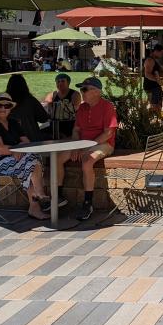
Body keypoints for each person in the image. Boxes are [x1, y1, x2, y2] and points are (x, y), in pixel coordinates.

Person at [0, 92, 49, 220]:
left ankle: (36, 203)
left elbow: (26, 142)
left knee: (31, 161)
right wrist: (16, 149)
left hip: (13, 157)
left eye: (7, 106)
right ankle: (39, 196)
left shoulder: (13, 123)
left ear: (11, 107)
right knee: (30, 161)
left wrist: (18, 148)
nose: (3, 108)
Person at [55, 77, 118, 221]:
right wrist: (77, 145)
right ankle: (58, 197)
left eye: (84, 89)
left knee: (87, 161)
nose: (81, 92)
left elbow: (108, 133)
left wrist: (87, 147)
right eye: (81, 89)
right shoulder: (82, 108)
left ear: (96, 92)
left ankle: (88, 203)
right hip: (83, 143)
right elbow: (76, 130)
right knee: (58, 158)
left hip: (103, 143)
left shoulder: (107, 106)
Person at [6, 74, 50, 141]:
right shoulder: (30, 100)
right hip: (31, 139)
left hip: (10, 139)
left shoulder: (3, 101)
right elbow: (43, 118)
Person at [44, 73, 82, 139]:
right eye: (58, 81)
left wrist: (55, 108)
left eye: (63, 81)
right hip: (54, 126)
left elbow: (73, 109)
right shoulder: (53, 94)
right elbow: (48, 106)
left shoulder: (75, 94)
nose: (60, 83)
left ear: (68, 83)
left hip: (69, 125)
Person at [143, 44, 163, 112]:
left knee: (158, 107)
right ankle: (152, 121)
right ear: (156, 51)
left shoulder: (154, 60)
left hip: (155, 87)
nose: (162, 55)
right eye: (161, 53)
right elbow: (147, 74)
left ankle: (156, 120)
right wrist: (158, 80)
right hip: (152, 88)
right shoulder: (150, 60)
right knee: (155, 108)